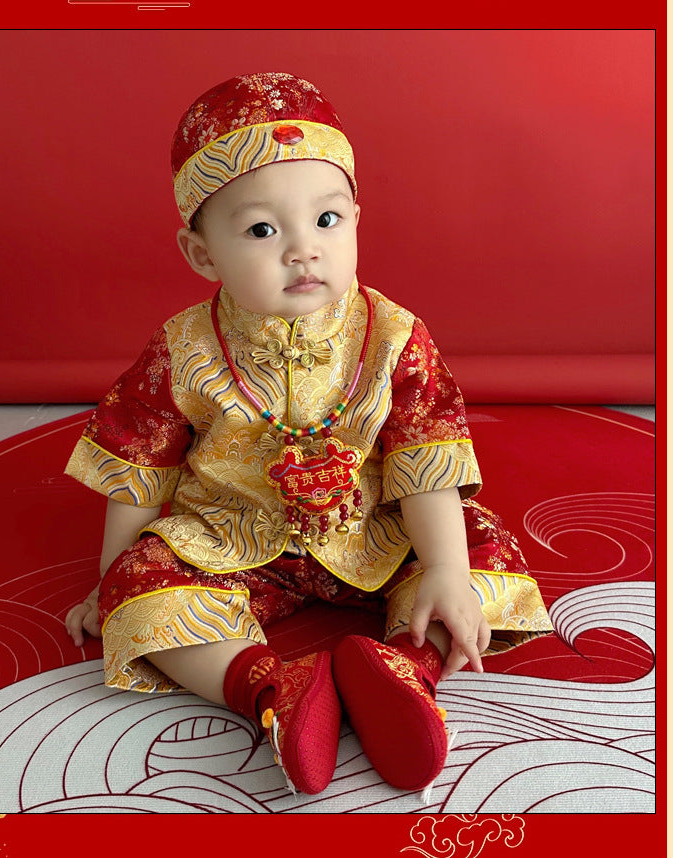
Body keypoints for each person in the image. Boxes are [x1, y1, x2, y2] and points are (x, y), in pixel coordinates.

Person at [64, 71, 552, 796]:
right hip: (233, 538)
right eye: (263, 230)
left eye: (327, 221)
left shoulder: (392, 336)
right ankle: (273, 692)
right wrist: (110, 579)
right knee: (140, 587)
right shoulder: (185, 349)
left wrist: (445, 568)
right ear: (203, 256)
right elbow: (141, 460)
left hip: (373, 530)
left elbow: (425, 459)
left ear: (357, 218)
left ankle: (403, 673)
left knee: (474, 556)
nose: (304, 250)